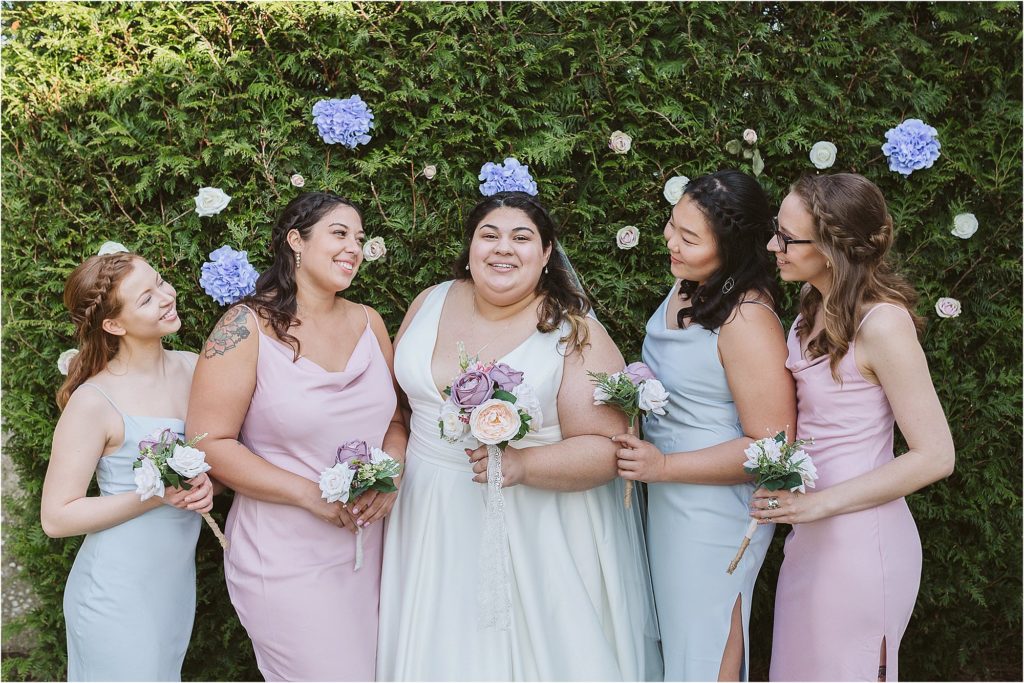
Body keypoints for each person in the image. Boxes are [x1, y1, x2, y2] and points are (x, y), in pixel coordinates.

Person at [376, 191, 661, 681]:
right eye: (489, 235)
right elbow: (398, 407)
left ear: (546, 253)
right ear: (470, 247)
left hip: (530, 523)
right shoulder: (430, 301)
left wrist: (523, 465)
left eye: (521, 237)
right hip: (425, 512)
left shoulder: (574, 333)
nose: (502, 247)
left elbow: (607, 450)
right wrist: (392, 461)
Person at [186, 192, 407, 681]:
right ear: (296, 241)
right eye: (339, 233)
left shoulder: (369, 322)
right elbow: (207, 441)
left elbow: (396, 422)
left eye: (360, 239)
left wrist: (392, 472)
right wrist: (309, 495)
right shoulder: (245, 326)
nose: (354, 247)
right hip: (285, 555)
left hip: (373, 550)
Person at [753, 173, 955, 681]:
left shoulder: (883, 324)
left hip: (862, 542)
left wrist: (817, 504)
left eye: (787, 238)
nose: (773, 246)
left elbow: (935, 455)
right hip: (811, 536)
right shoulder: (811, 308)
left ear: (831, 249)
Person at [613, 170, 796, 681]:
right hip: (671, 495)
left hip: (715, 508)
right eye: (673, 225)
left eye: (689, 237)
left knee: (704, 643)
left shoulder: (747, 320)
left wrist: (663, 465)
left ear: (731, 248)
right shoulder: (691, 283)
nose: (671, 241)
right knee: (678, 638)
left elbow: (773, 447)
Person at [41, 252, 215, 681]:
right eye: (146, 298)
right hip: (114, 593)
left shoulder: (196, 368)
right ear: (114, 325)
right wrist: (156, 496)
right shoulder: (94, 401)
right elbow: (57, 517)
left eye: (160, 282)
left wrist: (208, 485)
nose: (166, 297)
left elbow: (217, 457)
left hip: (172, 587)